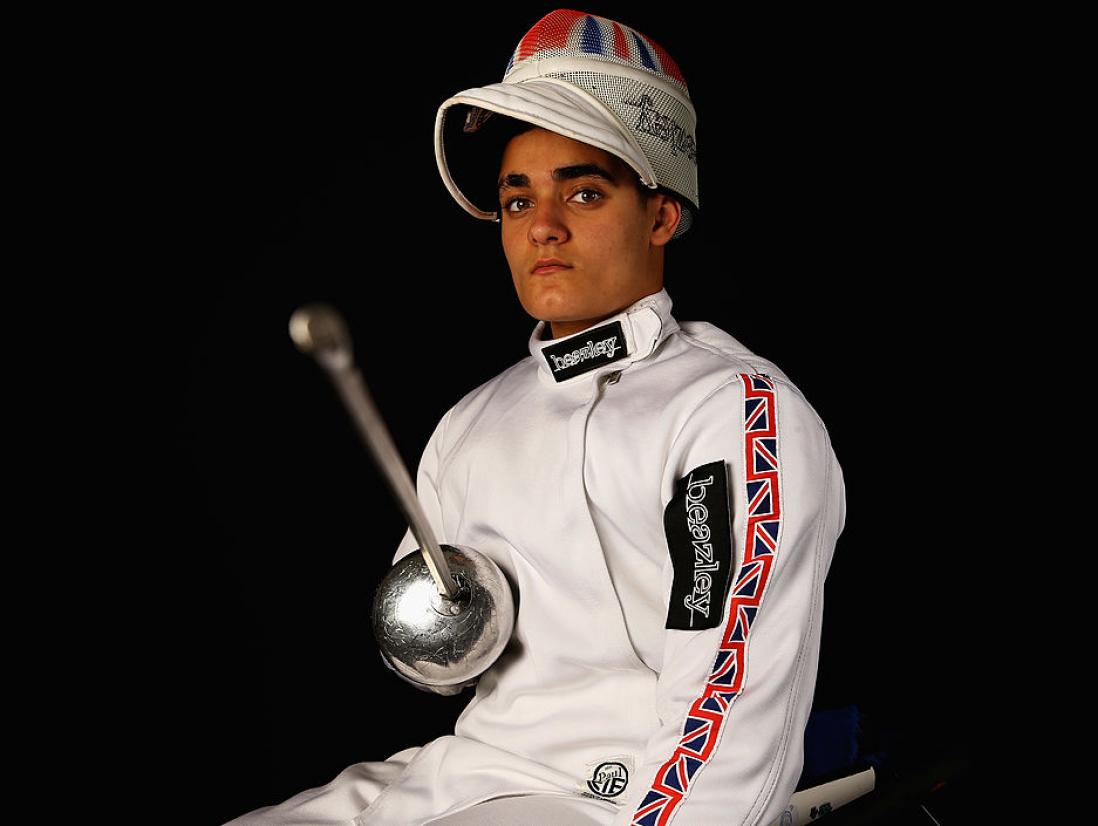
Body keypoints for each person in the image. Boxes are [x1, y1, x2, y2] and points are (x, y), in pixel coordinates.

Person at [225, 9, 846, 826]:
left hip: (615, 796)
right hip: (464, 771)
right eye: (518, 201)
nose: (543, 227)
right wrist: (440, 632)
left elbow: (727, 711)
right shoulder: (473, 421)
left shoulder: (730, 412)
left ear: (661, 216)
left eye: (584, 192)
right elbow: (441, 674)